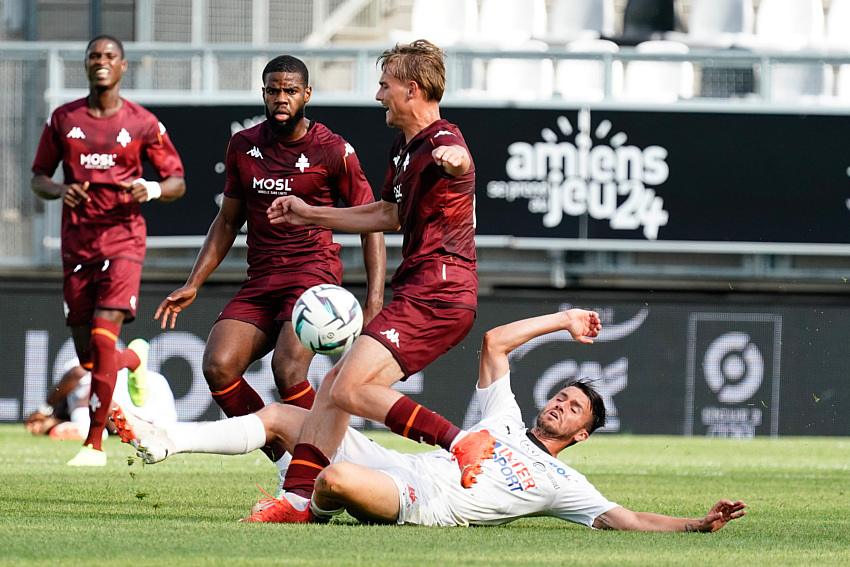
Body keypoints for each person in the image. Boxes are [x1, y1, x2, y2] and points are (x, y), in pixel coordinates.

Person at [112, 308, 746, 531]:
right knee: (285, 412)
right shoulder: (502, 417)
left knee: (333, 483)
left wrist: (697, 525)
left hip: (422, 497)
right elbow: (495, 341)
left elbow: (628, 519)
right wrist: (562, 319)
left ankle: (305, 498)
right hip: (406, 461)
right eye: (563, 396)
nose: (559, 404)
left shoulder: (564, 485)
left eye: (573, 408)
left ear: (580, 436)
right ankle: (165, 439)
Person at [263, 39, 490, 519]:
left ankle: (462, 441)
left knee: (346, 388)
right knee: (333, 387)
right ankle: (301, 501)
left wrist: (456, 160)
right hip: (423, 287)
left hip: (440, 288)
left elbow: (459, 158)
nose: (377, 95)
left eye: (384, 86)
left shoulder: (443, 138)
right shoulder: (405, 148)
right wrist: (309, 213)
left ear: (411, 89)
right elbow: (387, 213)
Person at [152, 55, 385, 486]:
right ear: (263, 93)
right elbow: (227, 221)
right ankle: (284, 457)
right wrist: (193, 283)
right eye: (274, 90)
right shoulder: (243, 146)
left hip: (312, 276)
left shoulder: (333, 150)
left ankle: (332, 460)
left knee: (288, 370)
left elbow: (372, 223)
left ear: (306, 95)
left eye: (291, 91)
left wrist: (374, 300)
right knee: (218, 366)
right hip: (260, 280)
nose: (282, 98)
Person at [30, 35, 186, 466]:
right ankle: (134, 358)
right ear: (86, 65)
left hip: (123, 239)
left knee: (102, 337)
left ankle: (94, 445)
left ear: (123, 67)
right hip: (77, 242)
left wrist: (150, 187)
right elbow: (38, 176)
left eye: (110, 56)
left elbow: (177, 181)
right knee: (88, 356)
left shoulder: (142, 122)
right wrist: (61, 189)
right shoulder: (64, 118)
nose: (102, 62)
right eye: (95, 56)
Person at [26, 356, 179, 441]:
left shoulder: (80, 384)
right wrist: (52, 422)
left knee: (93, 401)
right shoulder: (158, 380)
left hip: (141, 419)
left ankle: (88, 431)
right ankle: (88, 430)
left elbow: (78, 372)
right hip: (144, 421)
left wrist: (46, 408)